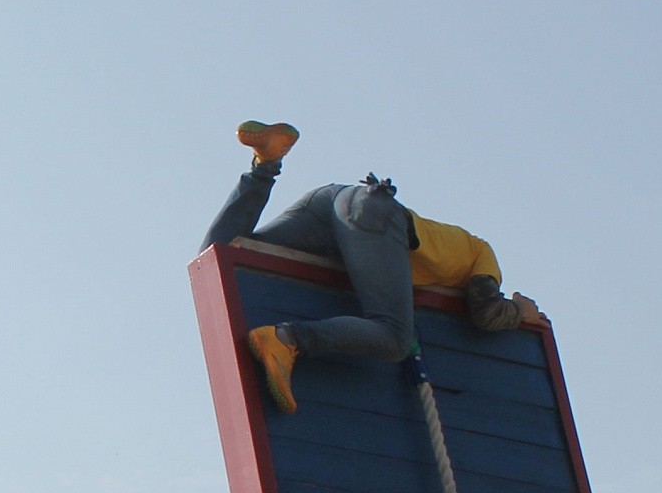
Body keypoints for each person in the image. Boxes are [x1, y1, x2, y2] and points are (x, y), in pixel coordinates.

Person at [201, 120, 538, 414]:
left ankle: (265, 163)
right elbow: (486, 310)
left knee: (219, 255)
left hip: (333, 200)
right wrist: (520, 311)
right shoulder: (483, 253)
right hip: (373, 215)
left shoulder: (453, 243)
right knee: (394, 337)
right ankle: (287, 338)